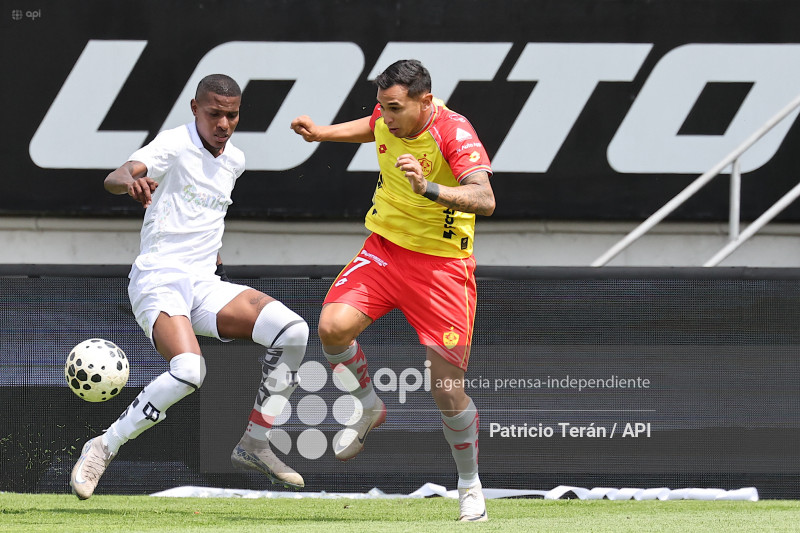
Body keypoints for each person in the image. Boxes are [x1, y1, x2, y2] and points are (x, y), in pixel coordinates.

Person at [70, 74, 309, 499]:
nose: (223, 123)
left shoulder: (235, 160)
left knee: (293, 331)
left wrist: (210, 249)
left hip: (203, 283)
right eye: (214, 113)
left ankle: (255, 441)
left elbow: (200, 212)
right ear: (195, 107)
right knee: (189, 371)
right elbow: (116, 175)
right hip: (159, 278)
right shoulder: (174, 144)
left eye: (231, 115)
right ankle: (104, 445)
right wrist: (130, 179)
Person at [290, 59, 495, 522]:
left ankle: (469, 486)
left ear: (425, 102)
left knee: (446, 390)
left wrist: (430, 190)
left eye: (395, 108)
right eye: (382, 106)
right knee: (332, 328)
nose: (386, 116)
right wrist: (322, 133)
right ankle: (368, 407)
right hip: (385, 250)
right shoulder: (387, 118)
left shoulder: (454, 132)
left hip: (443, 269)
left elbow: (485, 199)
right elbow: (371, 127)